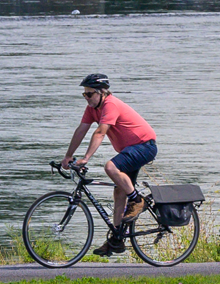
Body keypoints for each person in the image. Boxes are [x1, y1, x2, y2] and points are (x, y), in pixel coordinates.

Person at [62, 73, 157, 257]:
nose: (86, 98)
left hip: (144, 146)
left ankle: (138, 201)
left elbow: (100, 132)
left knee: (110, 167)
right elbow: (82, 129)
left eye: (89, 94)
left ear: (102, 92)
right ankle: (117, 239)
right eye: (84, 94)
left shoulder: (110, 104)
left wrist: (86, 158)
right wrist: (68, 156)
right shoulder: (92, 108)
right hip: (129, 150)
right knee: (119, 191)